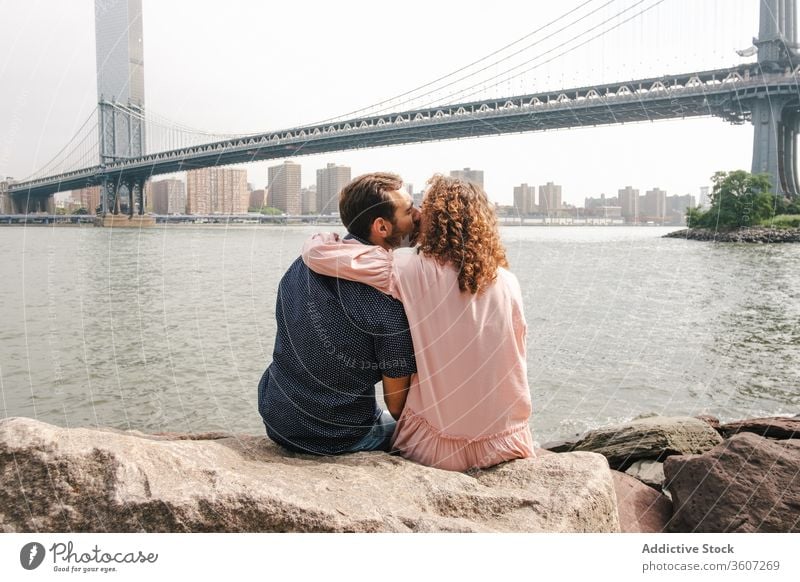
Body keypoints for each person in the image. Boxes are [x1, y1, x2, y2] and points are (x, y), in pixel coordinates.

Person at [301, 175, 534, 471]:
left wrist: (319, 238)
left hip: (435, 448)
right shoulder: (508, 282)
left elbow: (321, 256)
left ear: (434, 219)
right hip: (506, 442)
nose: (417, 215)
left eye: (424, 208)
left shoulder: (406, 268)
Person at [258, 172, 420, 455]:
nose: (417, 215)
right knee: (427, 438)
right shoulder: (388, 301)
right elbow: (397, 408)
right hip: (339, 437)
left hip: (278, 420)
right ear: (381, 227)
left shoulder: (303, 264)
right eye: (409, 210)